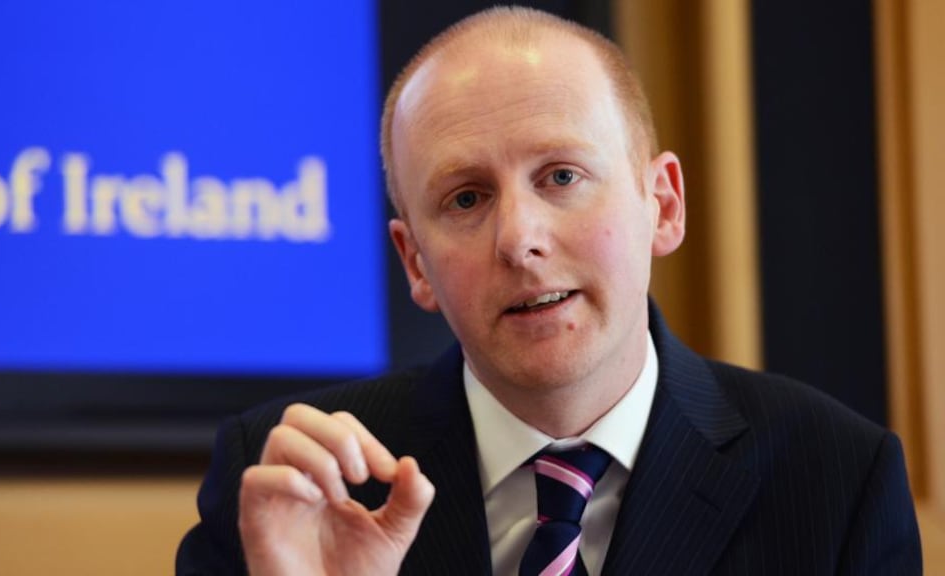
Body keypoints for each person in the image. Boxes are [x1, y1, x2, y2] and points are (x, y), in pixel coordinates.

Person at [177, 6, 922, 575]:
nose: (519, 239)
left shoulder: (836, 481)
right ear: (414, 263)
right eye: (466, 199)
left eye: (561, 177)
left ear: (661, 205)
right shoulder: (287, 489)